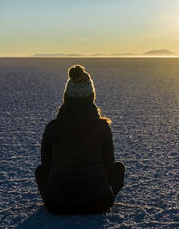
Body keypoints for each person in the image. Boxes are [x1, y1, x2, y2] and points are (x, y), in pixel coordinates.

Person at [35, 65, 124, 214]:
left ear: (66, 96)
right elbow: (108, 164)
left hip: (57, 205)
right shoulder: (102, 127)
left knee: (39, 171)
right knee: (118, 168)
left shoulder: (53, 127)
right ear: (91, 96)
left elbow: (46, 167)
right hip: (99, 203)